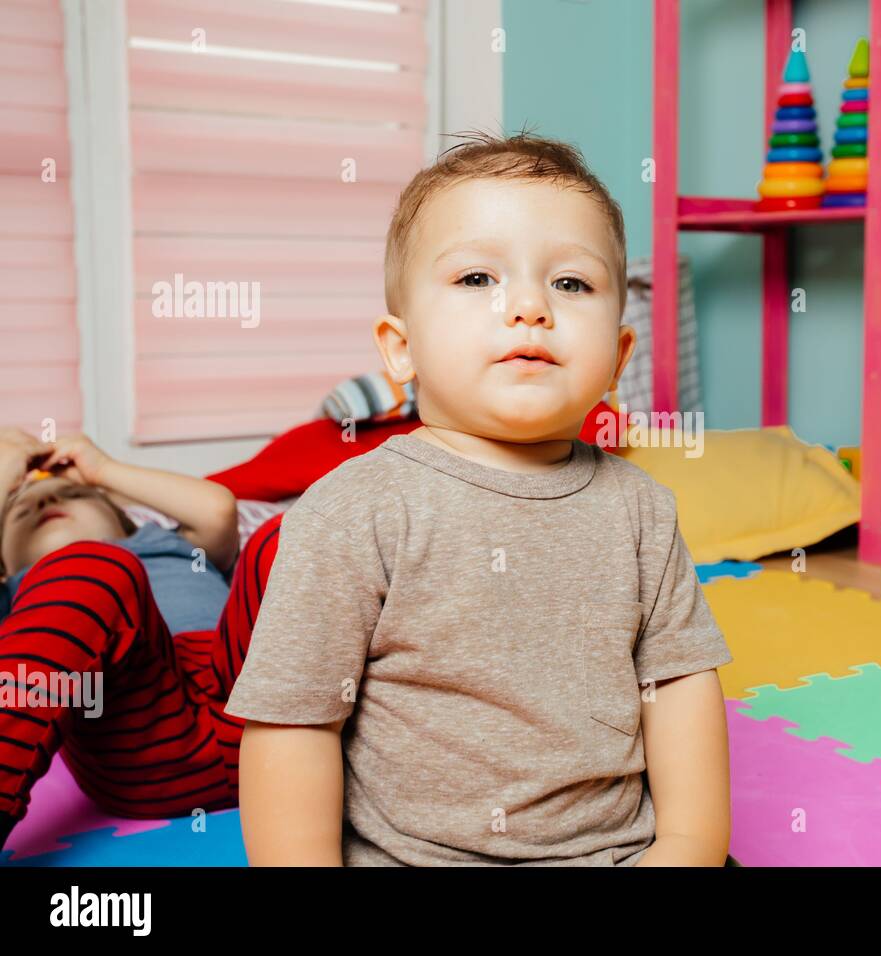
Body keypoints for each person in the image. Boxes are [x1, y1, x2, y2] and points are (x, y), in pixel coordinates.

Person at [228, 132, 735, 866]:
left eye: (570, 284)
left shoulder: (642, 511)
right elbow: (294, 724)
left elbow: (680, 688)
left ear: (620, 358)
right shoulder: (352, 511)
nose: (529, 305)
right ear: (400, 349)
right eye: (475, 279)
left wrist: (687, 845)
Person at [0, 427, 280, 850]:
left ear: (123, 518)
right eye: (21, 510)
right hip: (138, 735)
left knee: (288, 539)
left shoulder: (170, 543)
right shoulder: (16, 595)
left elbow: (218, 509)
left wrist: (103, 470)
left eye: (73, 496)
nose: (47, 500)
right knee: (92, 569)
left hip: (267, 700)